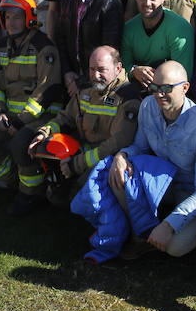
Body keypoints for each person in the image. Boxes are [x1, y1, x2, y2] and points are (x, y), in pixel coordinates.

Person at [0, 0, 64, 215]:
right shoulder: (1, 47)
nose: (11, 22)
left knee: (21, 143)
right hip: (8, 116)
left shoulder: (44, 46)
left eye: (17, 17)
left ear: (29, 17)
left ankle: (29, 196)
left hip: (41, 115)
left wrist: (20, 121)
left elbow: (47, 90)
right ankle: (18, 184)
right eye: (7, 17)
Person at [109, 61, 196, 258]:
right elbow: (140, 147)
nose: (159, 94)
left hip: (190, 192)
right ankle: (140, 235)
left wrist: (170, 225)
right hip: (160, 183)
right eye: (155, 88)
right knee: (118, 174)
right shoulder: (148, 106)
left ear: (185, 88)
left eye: (167, 88)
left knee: (175, 247)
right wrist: (122, 155)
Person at [29, 45, 141, 208]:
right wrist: (43, 133)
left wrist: (76, 164)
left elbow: (116, 144)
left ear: (118, 68)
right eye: (92, 69)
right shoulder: (86, 90)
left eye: (102, 70)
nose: (95, 76)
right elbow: (65, 117)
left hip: (110, 160)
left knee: (82, 194)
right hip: (84, 154)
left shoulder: (128, 98)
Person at [52, 0, 123, 97]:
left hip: (97, 82)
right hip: (72, 77)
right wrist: (67, 72)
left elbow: (110, 50)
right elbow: (61, 38)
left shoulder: (108, 3)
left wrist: (82, 82)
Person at [121, 0, 194, 87]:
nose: (147, 3)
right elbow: (121, 68)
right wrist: (134, 71)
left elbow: (184, 75)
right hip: (138, 87)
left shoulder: (180, 29)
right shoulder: (129, 28)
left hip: (170, 89)